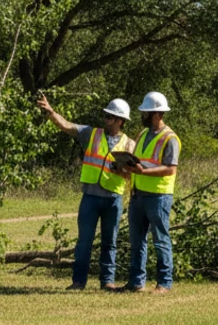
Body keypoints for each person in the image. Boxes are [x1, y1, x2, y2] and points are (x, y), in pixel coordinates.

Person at [37, 93, 135, 291]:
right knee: (84, 242)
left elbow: (132, 175)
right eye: (106, 115)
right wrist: (51, 113)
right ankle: (78, 281)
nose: (106, 119)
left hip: (113, 199)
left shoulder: (130, 145)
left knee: (109, 242)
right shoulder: (92, 134)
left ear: (121, 121)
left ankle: (107, 282)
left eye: (110, 116)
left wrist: (122, 171)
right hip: (90, 197)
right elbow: (67, 126)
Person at [116, 91, 179, 293]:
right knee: (137, 242)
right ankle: (136, 283)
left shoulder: (170, 138)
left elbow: (170, 169)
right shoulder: (142, 134)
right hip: (138, 195)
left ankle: (164, 283)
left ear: (158, 114)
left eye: (146, 112)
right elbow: (138, 162)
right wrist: (124, 168)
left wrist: (144, 172)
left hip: (159, 197)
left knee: (161, 240)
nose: (142, 115)